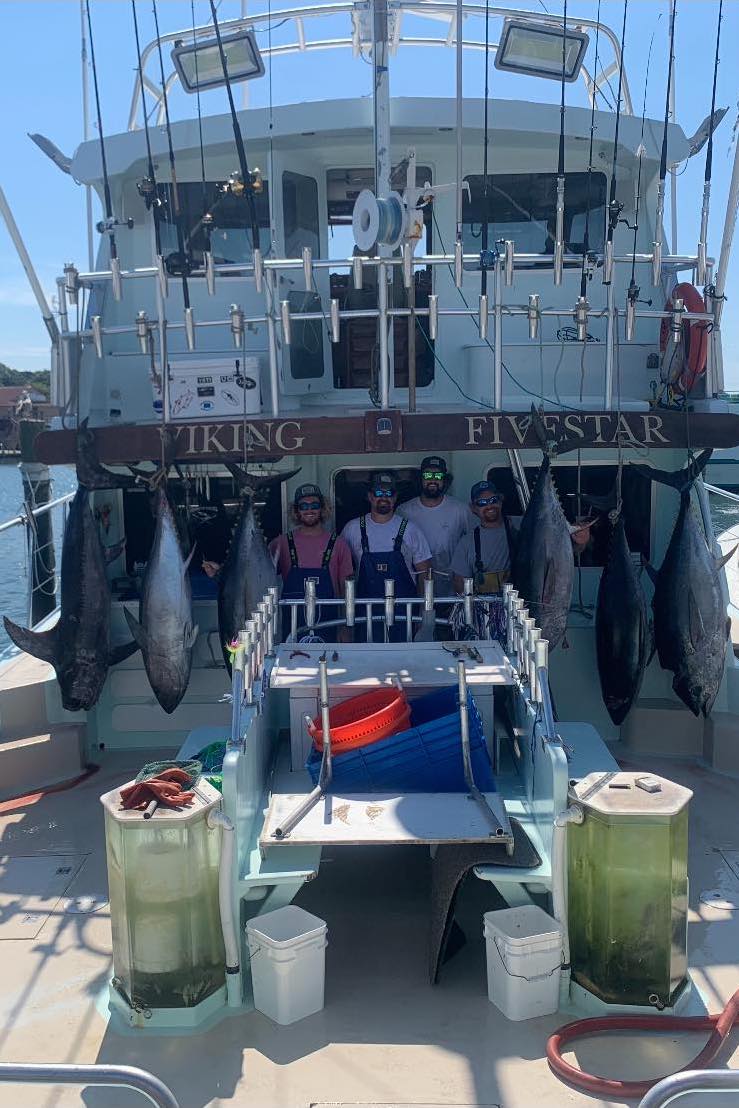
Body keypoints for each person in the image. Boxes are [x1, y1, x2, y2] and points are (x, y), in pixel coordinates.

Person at [450, 479, 592, 595]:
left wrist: (580, 542)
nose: (489, 505)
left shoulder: (522, 526)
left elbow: (566, 552)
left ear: (501, 500)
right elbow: (459, 585)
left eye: (493, 499)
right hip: (486, 615)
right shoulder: (466, 542)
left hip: (525, 610)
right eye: (481, 503)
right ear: (473, 508)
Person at [340, 471, 432, 639]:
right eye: (378, 493)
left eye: (388, 493)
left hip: (405, 610)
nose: (384, 497)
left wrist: (422, 613)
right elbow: (342, 573)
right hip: (364, 610)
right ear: (370, 496)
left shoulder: (410, 529)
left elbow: (425, 574)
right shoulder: (352, 529)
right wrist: (346, 619)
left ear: (395, 497)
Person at [268, 483, 353, 634]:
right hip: (293, 625)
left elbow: (345, 591)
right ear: (296, 511)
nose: (310, 510)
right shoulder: (280, 543)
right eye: (303, 506)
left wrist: (344, 627)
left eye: (314, 505)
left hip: (330, 622)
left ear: (322, 508)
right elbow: (261, 579)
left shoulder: (339, 544)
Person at [398, 456, 475, 597]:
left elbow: (474, 543)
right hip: (415, 592)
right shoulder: (404, 511)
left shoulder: (460, 509)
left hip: (452, 592)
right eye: (428, 475)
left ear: (444, 480)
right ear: (420, 479)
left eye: (438, 475)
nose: (433, 480)